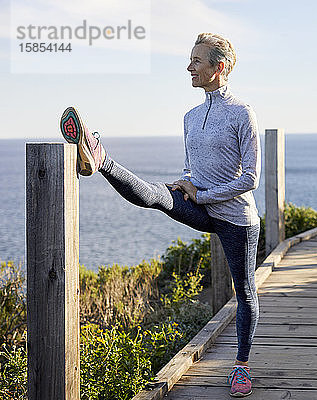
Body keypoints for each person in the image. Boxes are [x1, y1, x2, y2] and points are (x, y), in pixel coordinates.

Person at [60, 32, 260, 398]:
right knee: (156, 196)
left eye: (196, 61)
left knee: (244, 291)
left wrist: (205, 194)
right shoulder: (190, 116)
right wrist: (187, 184)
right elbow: (193, 166)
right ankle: (100, 156)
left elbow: (250, 178)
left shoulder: (242, 113)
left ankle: (241, 367)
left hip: (235, 219)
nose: (189, 67)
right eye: (190, 60)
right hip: (201, 205)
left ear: (220, 67)